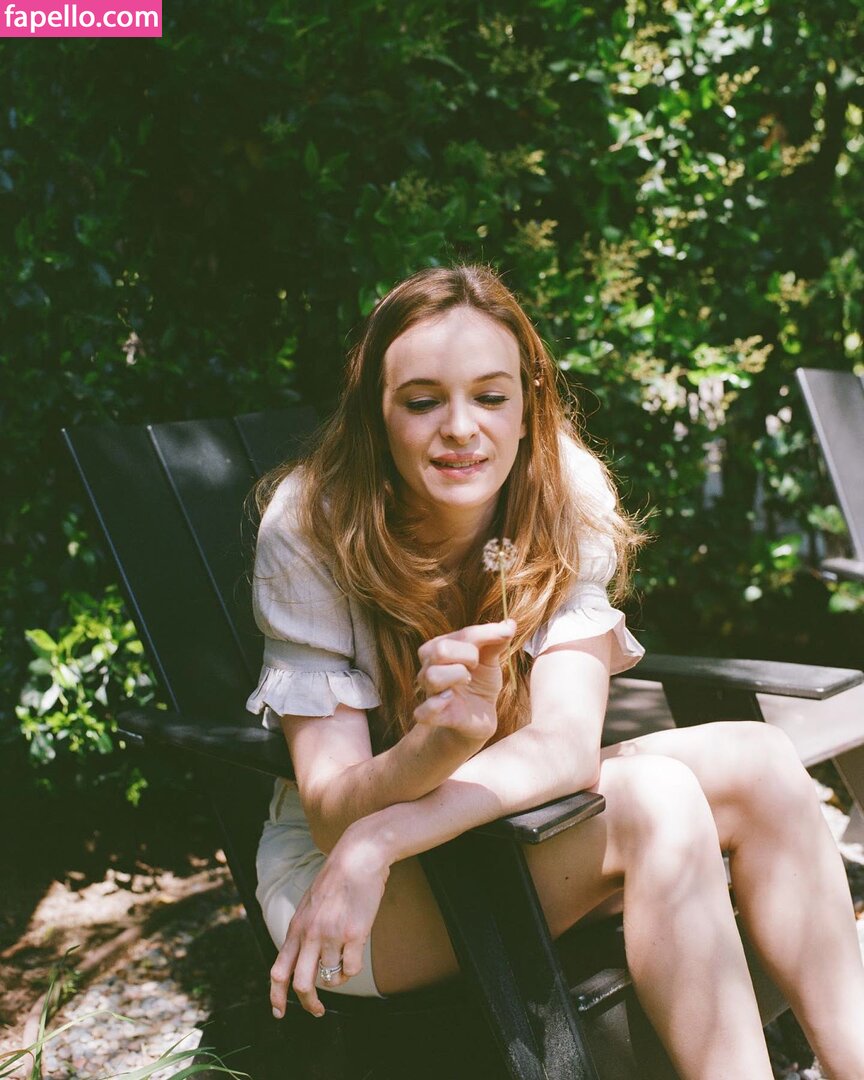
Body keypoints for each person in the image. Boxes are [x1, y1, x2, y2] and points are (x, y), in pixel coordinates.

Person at [246, 264, 864, 1079]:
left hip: (478, 830)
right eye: (423, 401)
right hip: (350, 892)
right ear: (376, 411)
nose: (460, 428)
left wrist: (386, 832)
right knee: (656, 798)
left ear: (529, 404)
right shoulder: (315, 524)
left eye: (490, 397)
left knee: (762, 760)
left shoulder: (561, 495)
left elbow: (567, 748)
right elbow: (333, 819)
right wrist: (429, 750)